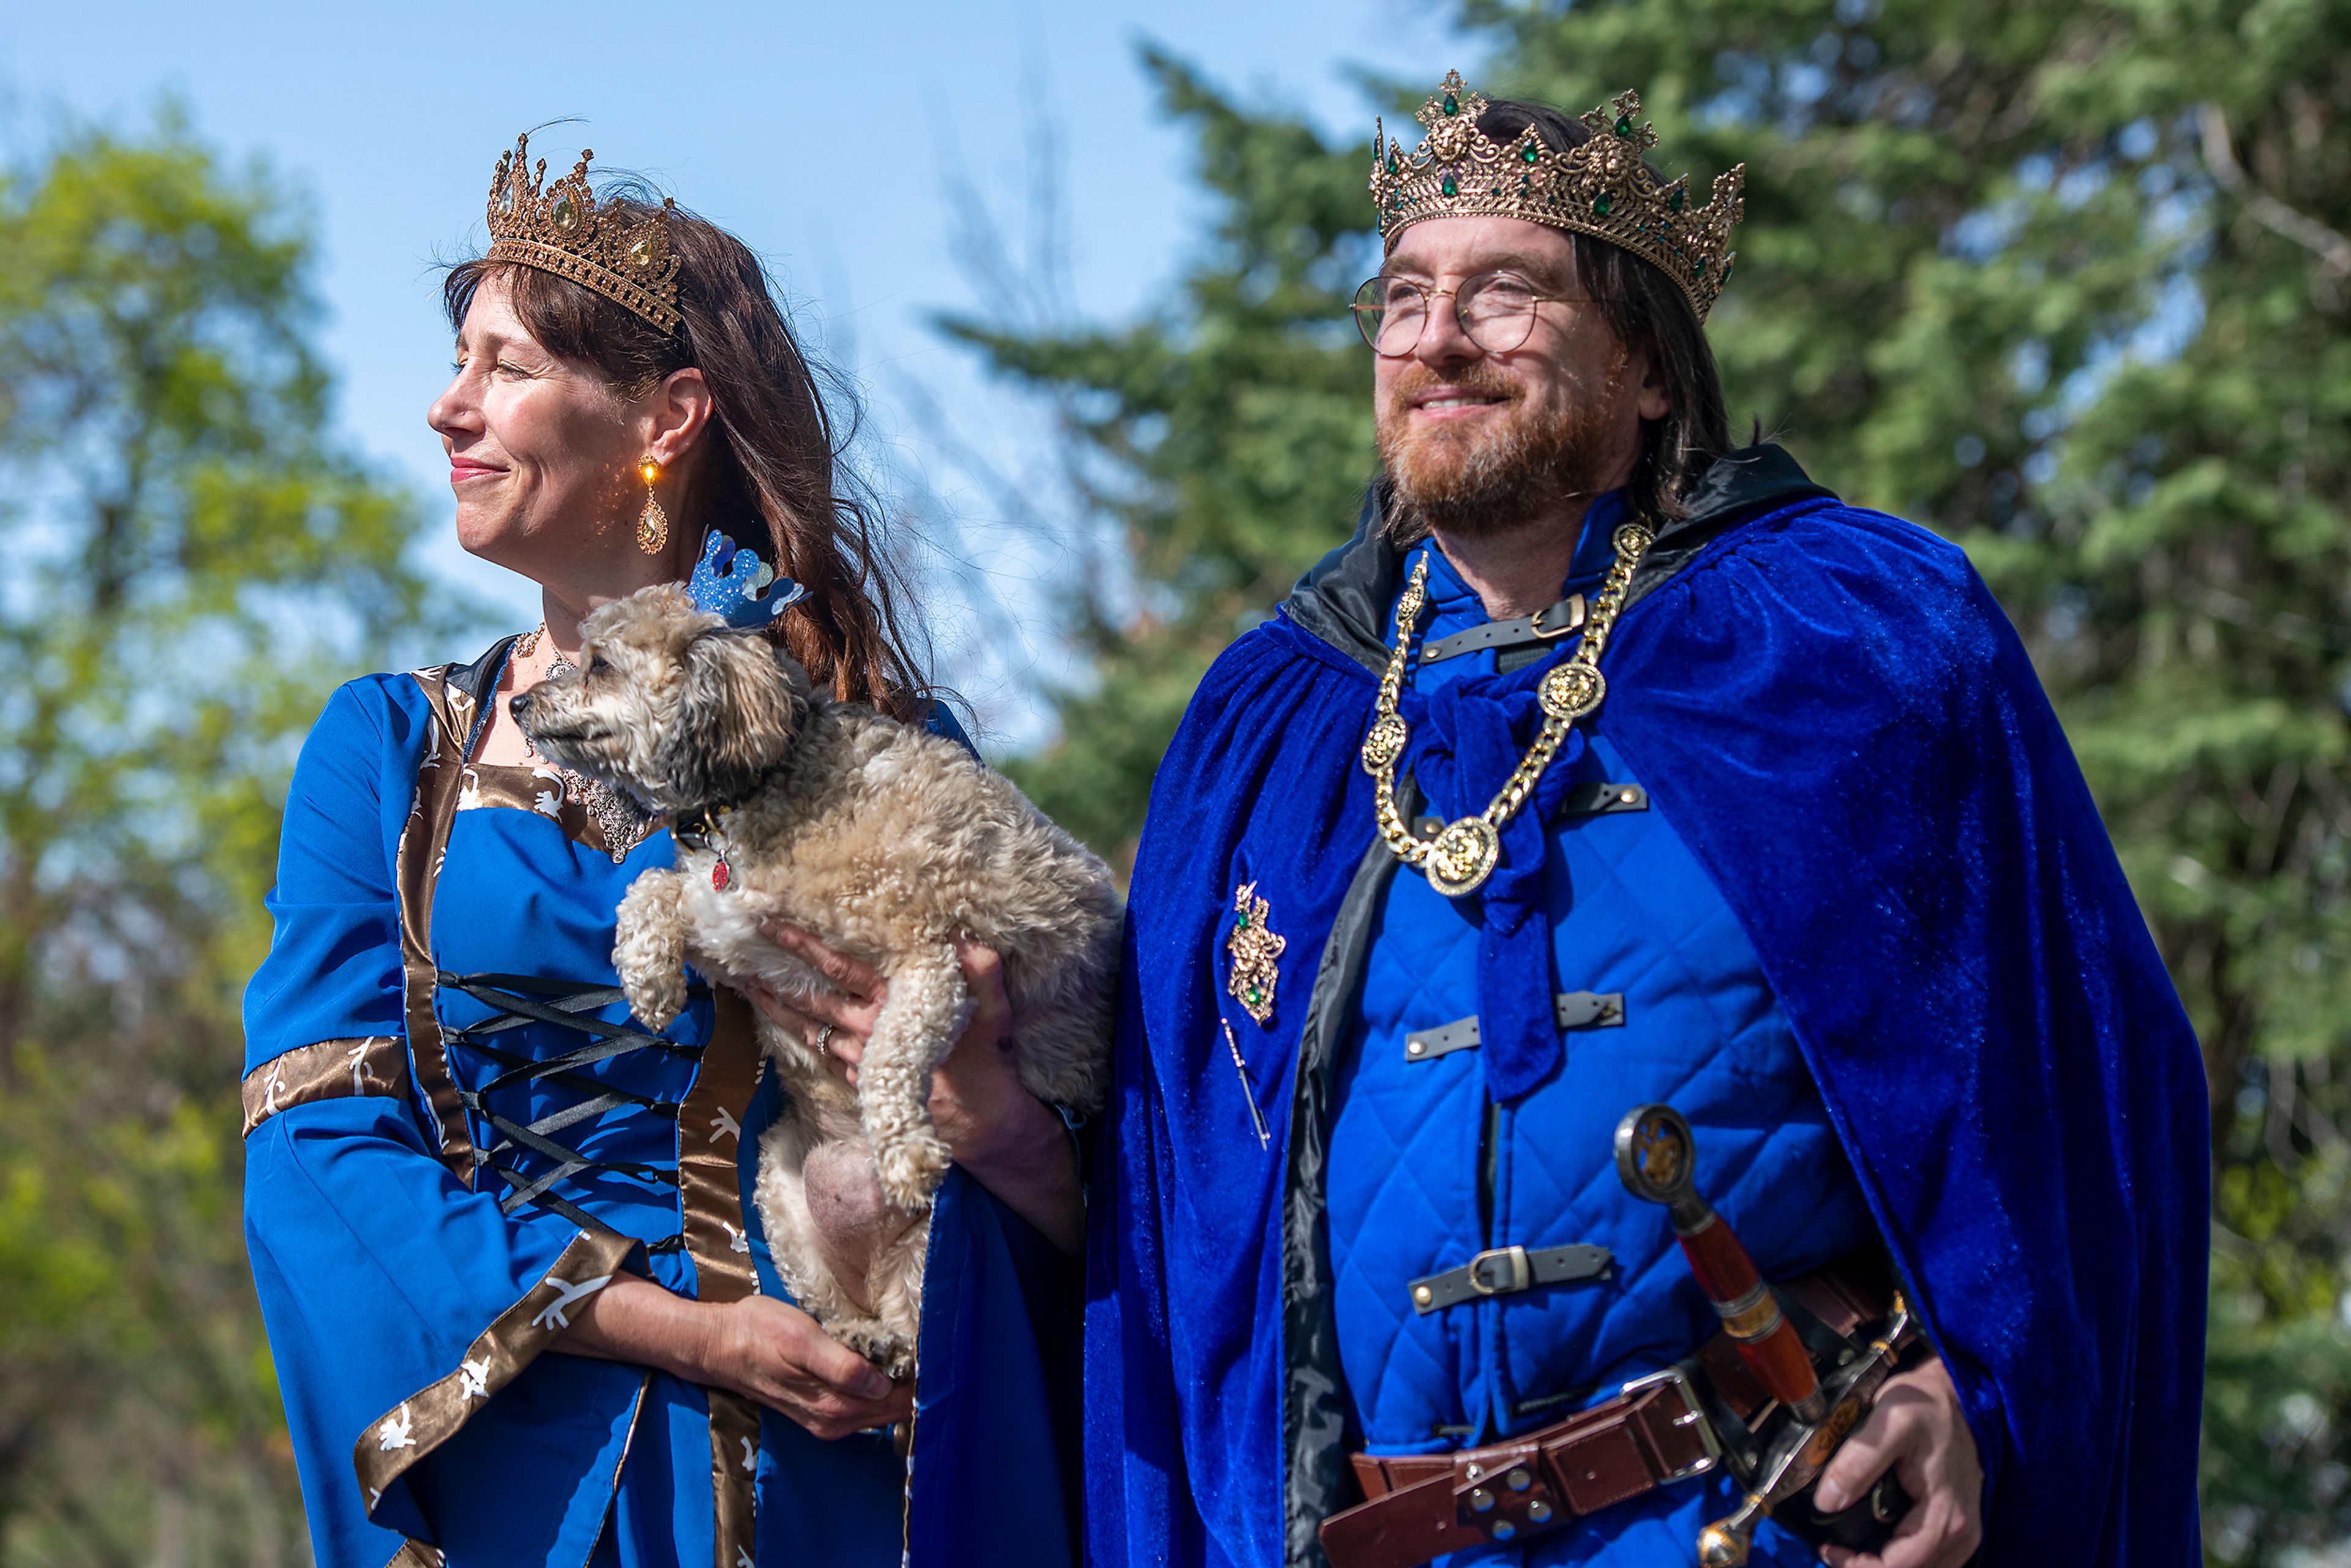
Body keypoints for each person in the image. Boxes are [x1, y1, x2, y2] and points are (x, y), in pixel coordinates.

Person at [1086, 74, 2207, 1568]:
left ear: (1651, 368)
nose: (1437, 338)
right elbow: (1170, 1207)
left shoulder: (1850, 640)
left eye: (1506, 293)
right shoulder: (1273, 727)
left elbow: (2079, 1090)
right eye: (1404, 297)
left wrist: (1968, 1393)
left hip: (1742, 1525)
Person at [241, 135, 1083, 1568]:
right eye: (460, 361)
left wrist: (991, 1130)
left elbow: (1054, 1133)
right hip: (530, 1462)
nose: (449, 407)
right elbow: (312, 1140)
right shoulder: (389, 756)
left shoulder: (875, 737)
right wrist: (686, 1331)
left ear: (667, 416)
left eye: (503, 368)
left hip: (848, 1461)